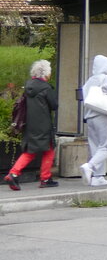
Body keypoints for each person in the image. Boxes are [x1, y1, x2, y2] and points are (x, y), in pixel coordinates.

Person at [4, 59, 59, 190]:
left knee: (30, 151)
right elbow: (54, 105)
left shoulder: (28, 86)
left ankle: (13, 174)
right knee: (49, 150)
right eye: (49, 72)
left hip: (29, 124)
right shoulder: (46, 88)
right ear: (45, 73)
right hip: (43, 124)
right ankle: (45, 178)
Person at [80, 54, 107, 186]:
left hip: (90, 116)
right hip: (103, 115)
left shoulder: (90, 80)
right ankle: (89, 166)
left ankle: (98, 177)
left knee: (95, 146)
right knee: (106, 147)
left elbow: (84, 96)